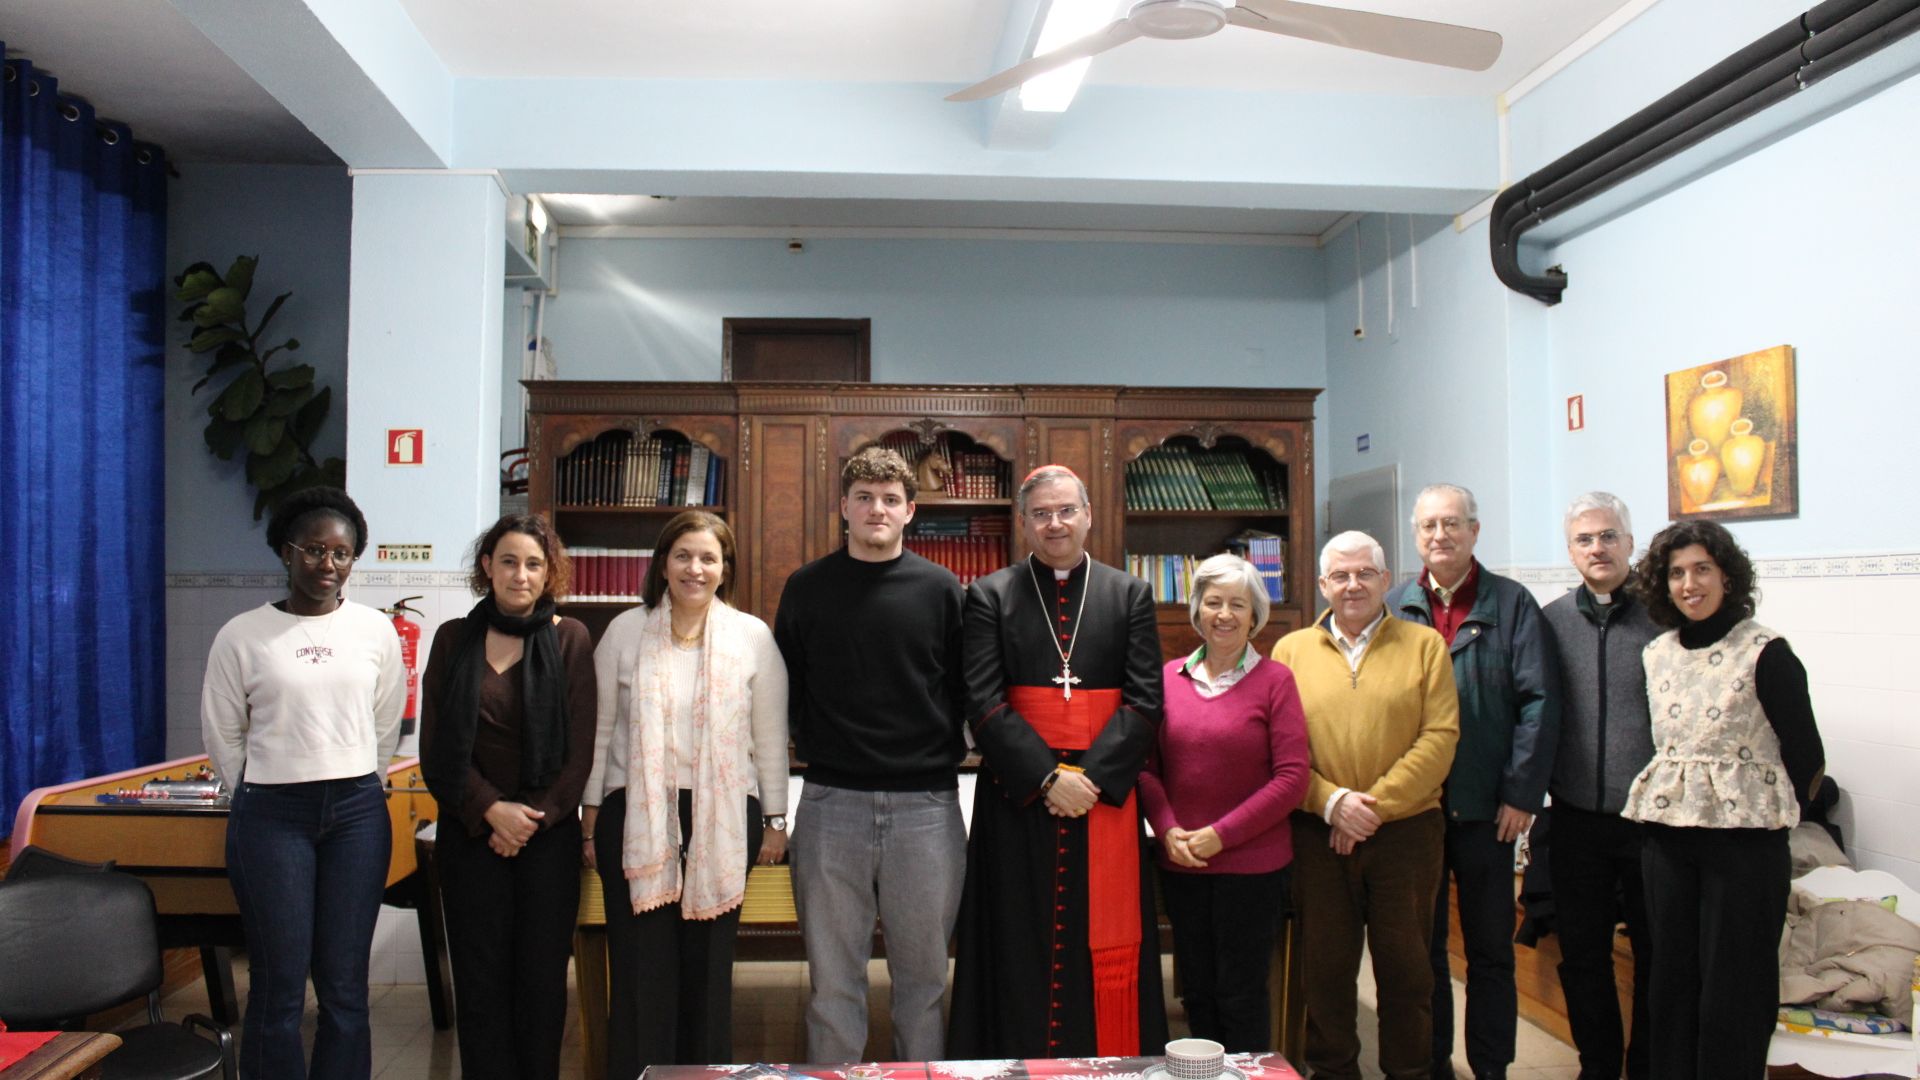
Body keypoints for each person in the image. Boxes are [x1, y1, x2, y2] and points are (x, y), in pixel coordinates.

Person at [947, 464, 1167, 1058]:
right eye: (1041, 513)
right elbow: (983, 702)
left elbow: (1146, 701)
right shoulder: (991, 594)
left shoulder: (1129, 594)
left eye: (1066, 510)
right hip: (1018, 798)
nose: (1055, 523)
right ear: (1022, 523)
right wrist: (1047, 779)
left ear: (1089, 515)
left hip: (1104, 798)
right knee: (1018, 939)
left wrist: (1089, 781)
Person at [200, 486, 405, 1080]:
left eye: (342, 554)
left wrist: (361, 775)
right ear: (286, 552)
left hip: (357, 814)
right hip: (271, 816)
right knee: (279, 984)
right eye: (315, 550)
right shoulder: (242, 635)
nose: (328, 565)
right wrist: (258, 792)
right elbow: (223, 731)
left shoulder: (375, 632)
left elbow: (385, 723)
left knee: (344, 987)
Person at [774, 446, 967, 1063]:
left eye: (889, 499)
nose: (876, 509)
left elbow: (962, 689)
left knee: (924, 984)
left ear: (909, 511)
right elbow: (788, 689)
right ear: (844, 508)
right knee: (833, 985)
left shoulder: (942, 591)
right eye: (864, 498)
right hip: (832, 804)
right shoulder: (806, 588)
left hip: (926, 807)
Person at [581, 510, 789, 1080]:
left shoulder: (752, 636)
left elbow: (768, 737)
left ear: (725, 569)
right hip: (635, 814)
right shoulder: (626, 630)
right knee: (641, 968)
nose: (694, 568)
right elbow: (600, 729)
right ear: (663, 564)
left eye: (708, 558)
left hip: (723, 818)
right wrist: (590, 815)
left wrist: (775, 820)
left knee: (706, 969)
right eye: (683, 556)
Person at [1621, 519, 1823, 1080]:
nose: (1690, 584)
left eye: (1702, 569)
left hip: (1745, 849)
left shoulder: (1765, 651)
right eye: (1677, 573)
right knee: (1672, 985)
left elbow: (1807, 756)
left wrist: (1766, 813)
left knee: (1733, 991)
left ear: (1728, 577)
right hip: (1666, 840)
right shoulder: (1656, 653)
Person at [1387, 483, 1561, 1080]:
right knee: (1423, 953)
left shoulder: (1512, 605)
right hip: (1415, 813)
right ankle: (1432, 1064)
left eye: (1453, 524)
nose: (1441, 535)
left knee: (1490, 954)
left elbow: (1539, 702)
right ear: (1416, 536)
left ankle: (1491, 1068)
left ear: (1474, 532)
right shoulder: (1392, 605)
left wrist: (1521, 792)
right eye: (1430, 526)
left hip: (1489, 809)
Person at [1273, 530, 1458, 1080]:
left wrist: (1369, 809)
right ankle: (1334, 1072)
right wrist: (1331, 803)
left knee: (1408, 975)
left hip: (1406, 835)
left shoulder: (1425, 646)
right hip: (1317, 835)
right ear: (1322, 584)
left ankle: (1409, 1072)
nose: (1353, 585)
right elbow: (1280, 749)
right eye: (1340, 576)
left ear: (1386, 580)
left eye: (1365, 574)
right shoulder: (1290, 651)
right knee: (1325, 974)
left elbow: (1440, 737)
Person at [419, 513, 596, 1080]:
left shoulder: (570, 638)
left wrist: (528, 820)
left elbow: (580, 753)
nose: (521, 575)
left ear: (549, 575)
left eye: (534, 565)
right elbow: (438, 751)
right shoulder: (452, 639)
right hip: (471, 836)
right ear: (486, 567)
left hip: (547, 840)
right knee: (479, 983)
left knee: (541, 983)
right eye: (510, 561)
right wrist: (491, 809)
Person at [1137, 553, 1309, 1053]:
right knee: (1198, 994)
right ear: (1196, 610)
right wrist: (1168, 830)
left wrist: (1221, 835)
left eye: (1238, 604)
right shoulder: (1169, 678)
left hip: (1251, 869)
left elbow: (1292, 778)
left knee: (1241, 994)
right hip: (1182, 862)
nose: (1225, 615)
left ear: (1255, 614)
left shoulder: (1276, 681)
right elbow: (1147, 768)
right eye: (1213, 602)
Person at [1539, 492, 1659, 1080]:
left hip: (1653, 822)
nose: (1598, 547)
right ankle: (1598, 1064)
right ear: (1570, 551)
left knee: (1656, 955)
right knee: (1582, 955)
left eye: (1609, 536)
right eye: (1585, 539)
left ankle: (1648, 1065)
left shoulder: (1665, 617)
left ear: (1630, 544)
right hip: (1576, 818)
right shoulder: (1552, 619)